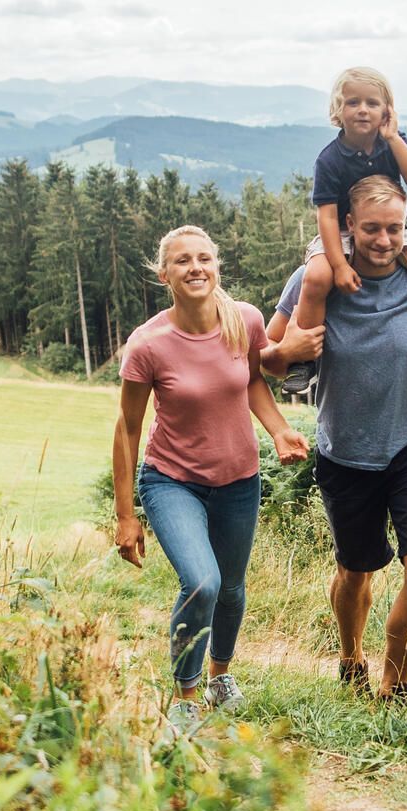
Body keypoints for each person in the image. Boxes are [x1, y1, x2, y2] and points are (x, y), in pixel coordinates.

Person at [265, 174, 407, 704]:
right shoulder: (314, 279)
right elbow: (265, 359)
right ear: (349, 228)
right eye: (371, 229)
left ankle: (394, 683)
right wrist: (289, 350)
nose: (383, 241)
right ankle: (350, 654)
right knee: (355, 570)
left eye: (394, 229)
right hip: (347, 450)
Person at [111, 225, 310, 734]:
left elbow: (252, 383)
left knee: (232, 589)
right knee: (202, 582)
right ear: (165, 275)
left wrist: (280, 430)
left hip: (239, 478)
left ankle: (221, 675)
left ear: (216, 265)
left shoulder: (244, 320)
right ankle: (185, 694)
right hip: (171, 480)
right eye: (183, 261)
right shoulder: (148, 344)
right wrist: (126, 515)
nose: (196, 267)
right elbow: (128, 428)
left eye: (204, 258)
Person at [280, 66, 407, 396]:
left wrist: (393, 138)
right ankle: (303, 360)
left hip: (394, 229)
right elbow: (325, 217)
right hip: (340, 231)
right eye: (353, 102)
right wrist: (339, 264)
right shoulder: (329, 159)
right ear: (338, 110)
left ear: (387, 109)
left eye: (372, 102)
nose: (363, 109)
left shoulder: (392, 144)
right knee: (317, 278)